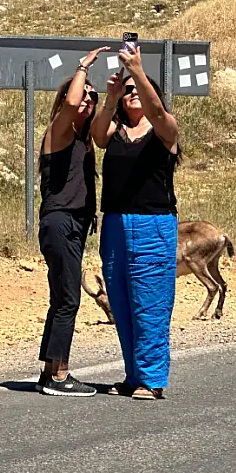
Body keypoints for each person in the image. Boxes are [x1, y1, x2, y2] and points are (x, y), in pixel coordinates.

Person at [89, 45, 180, 401]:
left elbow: (158, 112)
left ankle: (153, 378)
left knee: (151, 303)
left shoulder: (164, 132)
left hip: (153, 225)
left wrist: (138, 72)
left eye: (138, 90)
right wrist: (110, 96)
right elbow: (97, 135)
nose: (133, 95)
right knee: (123, 303)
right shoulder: (115, 133)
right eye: (129, 91)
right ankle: (133, 375)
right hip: (115, 224)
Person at [34, 47, 106, 397]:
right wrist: (83, 67)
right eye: (84, 94)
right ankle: (60, 375)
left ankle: (50, 371)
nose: (88, 99)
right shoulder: (58, 131)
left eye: (94, 96)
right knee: (68, 300)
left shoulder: (82, 139)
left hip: (73, 226)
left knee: (61, 297)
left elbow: (104, 123)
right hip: (60, 223)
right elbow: (71, 101)